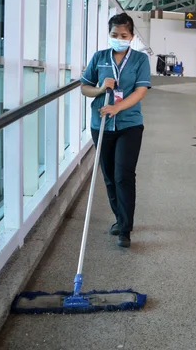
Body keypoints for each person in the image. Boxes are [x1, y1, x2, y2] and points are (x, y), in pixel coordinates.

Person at [81, 13, 151, 248]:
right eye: (114, 35)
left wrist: (117, 107)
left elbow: (141, 91)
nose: (119, 39)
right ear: (108, 35)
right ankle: (119, 218)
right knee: (109, 176)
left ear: (131, 36)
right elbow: (84, 88)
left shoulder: (140, 60)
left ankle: (125, 228)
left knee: (123, 174)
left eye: (123, 35)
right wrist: (100, 90)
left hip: (129, 124)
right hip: (100, 125)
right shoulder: (99, 58)